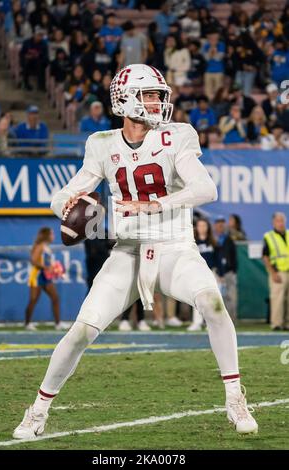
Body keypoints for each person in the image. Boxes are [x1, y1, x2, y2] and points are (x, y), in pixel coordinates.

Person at [13, 64, 258, 439]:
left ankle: (234, 397)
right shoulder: (101, 144)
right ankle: (38, 410)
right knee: (81, 331)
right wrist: (64, 206)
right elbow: (64, 194)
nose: (158, 102)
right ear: (126, 99)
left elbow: (207, 189)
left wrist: (155, 205)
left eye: (159, 95)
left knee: (212, 303)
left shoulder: (176, 136)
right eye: (150, 95)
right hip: (127, 252)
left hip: (176, 247)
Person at [25, 227, 66, 332]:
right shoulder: (40, 246)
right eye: (52, 234)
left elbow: (47, 262)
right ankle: (27, 323)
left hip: (45, 276)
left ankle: (58, 324)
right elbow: (33, 260)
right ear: (46, 235)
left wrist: (54, 268)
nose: (53, 236)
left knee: (55, 298)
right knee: (33, 299)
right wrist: (46, 267)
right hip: (37, 275)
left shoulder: (47, 247)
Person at [188, 217, 219, 331]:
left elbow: (217, 259)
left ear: (208, 227)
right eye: (199, 226)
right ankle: (197, 322)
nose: (201, 228)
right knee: (197, 298)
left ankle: (212, 323)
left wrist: (219, 274)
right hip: (196, 273)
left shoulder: (213, 242)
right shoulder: (192, 242)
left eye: (204, 226)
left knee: (212, 299)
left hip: (211, 273)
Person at [262, 212, 289, 331]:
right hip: (278, 272)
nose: (281, 223)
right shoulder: (269, 236)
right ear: (273, 223)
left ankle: (287, 323)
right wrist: (272, 273)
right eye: (278, 221)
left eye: (282, 220)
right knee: (277, 299)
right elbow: (265, 256)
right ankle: (277, 324)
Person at [214, 216, 238, 322]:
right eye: (218, 224)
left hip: (228, 272)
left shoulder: (229, 239)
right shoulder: (212, 239)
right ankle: (217, 320)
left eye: (222, 224)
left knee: (230, 297)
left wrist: (233, 270)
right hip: (216, 273)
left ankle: (231, 320)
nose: (220, 226)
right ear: (214, 226)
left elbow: (234, 256)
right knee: (216, 297)